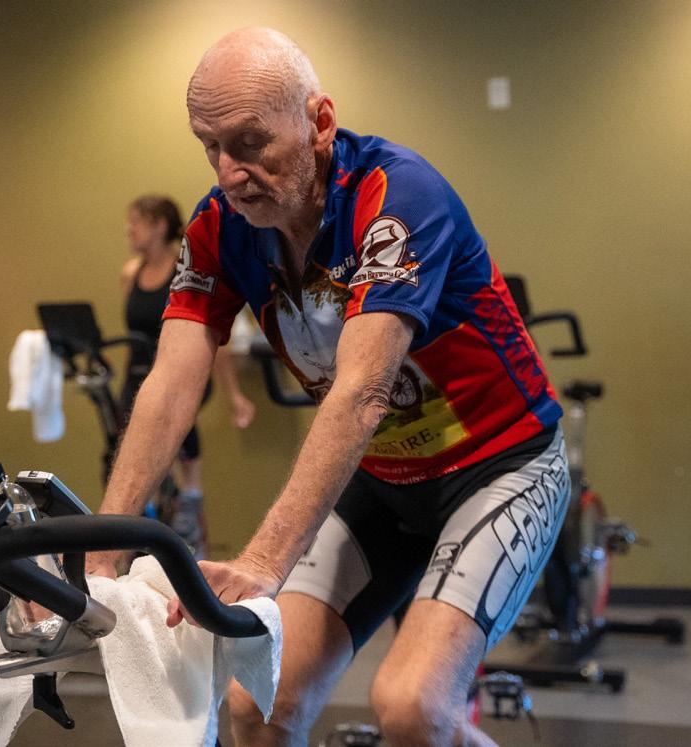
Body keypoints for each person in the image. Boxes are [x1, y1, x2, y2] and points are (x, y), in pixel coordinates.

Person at [87, 28, 570, 747]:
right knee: (257, 704)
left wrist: (262, 563)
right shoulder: (218, 227)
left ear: (319, 122)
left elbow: (362, 393)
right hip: (382, 482)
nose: (230, 172)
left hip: (499, 467)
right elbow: (170, 384)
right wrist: (102, 556)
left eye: (250, 142)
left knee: (412, 708)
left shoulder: (398, 195)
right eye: (210, 147)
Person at [118, 194, 256, 558]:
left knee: (175, 419)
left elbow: (216, 338)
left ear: (159, 226)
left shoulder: (185, 271)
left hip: (181, 372)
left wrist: (235, 395)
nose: (129, 230)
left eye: (136, 222)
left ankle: (191, 499)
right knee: (131, 441)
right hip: (139, 375)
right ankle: (143, 525)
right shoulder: (131, 274)